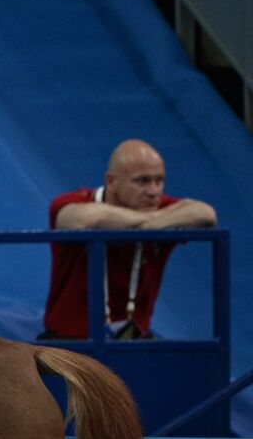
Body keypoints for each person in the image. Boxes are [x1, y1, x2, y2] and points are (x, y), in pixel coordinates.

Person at [40, 139, 217, 340]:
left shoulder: (156, 206)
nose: (153, 192)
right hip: (70, 346)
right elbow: (81, 220)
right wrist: (151, 222)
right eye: (142, 181)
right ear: (111, 182)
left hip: (135, 343)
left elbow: (206, 214)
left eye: (159, 180)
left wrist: (145, 226)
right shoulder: (72, 202)